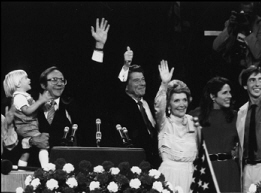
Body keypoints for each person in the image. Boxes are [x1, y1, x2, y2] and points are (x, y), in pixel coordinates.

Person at [21, 18, 110, 166]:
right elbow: (11, 137)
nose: (59, 83)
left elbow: (93, 82)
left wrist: (99, 47)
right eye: (54, 80)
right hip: (32, 169)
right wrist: (31, 140)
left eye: (62, 80)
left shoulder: (71, 106)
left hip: (66, 170)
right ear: (43, 85)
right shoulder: (28, 104)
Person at [212, 2, 261, 108]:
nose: (245, 16)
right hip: (230, 69)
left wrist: (248, 31)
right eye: (243, 13)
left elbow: (258, 53)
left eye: (248, 13)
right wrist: (229, 28)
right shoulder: (232, 23)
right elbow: (216, 47)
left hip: (248, 71)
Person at [189, 77, 241, 192]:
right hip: (206, 170)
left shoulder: (235, 116)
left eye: (230, 92)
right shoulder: (195, 115)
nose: (230, 96)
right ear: (212, 96)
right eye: (225, 93)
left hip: (229, 171)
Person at [154, 60, 198, 193]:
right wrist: (164, 84)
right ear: (169, 105)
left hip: (191, 175)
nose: (181, 104)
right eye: (176, 100)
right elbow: (158, 106)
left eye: (184, 100)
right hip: (169, 176)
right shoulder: (164, 123)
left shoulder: (193, 122)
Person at [114, 48, 161, 169]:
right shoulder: (122, 104)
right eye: (136, 80)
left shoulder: (150, 103)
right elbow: (117, 87)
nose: (142, 83)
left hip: (157, 162)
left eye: (143, 79)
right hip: (134, 163)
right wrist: (125, 66)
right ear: (126, 85)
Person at [237, 65, 261, 193]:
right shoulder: (241, 112)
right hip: (249, 169)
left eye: (260, 79)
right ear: (245, 86)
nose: (257, 84)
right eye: (252, 80)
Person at [3, 70, 52, 168]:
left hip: (29, 126)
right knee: (43, 144)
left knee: (26, 152)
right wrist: (40, 101)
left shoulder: (25, 96)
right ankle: (46, 167)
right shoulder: (18, 97)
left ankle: (21, 168)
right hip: (27, 127)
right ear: (18, 83)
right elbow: (27, 111)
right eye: (26, 78)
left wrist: (43, 103)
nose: (29, 80)